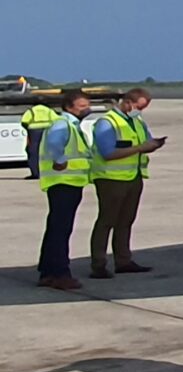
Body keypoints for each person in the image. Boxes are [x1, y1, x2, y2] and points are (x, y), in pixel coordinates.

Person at [33, 91, 108, 291]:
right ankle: (59, 273)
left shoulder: (72, 126)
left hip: (70, 182)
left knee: (56, 228)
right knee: (61, 230)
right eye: (82, 105)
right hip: (64, 183)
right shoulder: (62, 124)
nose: (87, 109)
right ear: (68, 107)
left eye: (87, 105)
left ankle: (48, 271)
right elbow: (53, 145)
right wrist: (59, 161)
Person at [90, 89, 164, 277]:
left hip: (133, 177)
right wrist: (141, 147)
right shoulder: (106, 123)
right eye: (139, 107)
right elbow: (108, 153)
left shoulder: (137, 122)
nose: (140, 111)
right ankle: (98, 264)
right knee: (106, 221)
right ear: (128, 103)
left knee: (126, 221)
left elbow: (145, 142)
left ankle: (123, 260)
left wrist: (153, 145)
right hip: (111, 179)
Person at [21, 96, 58, 180]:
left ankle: (35, 173)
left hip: (34, 132)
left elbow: (24, 121)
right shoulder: (49, 110)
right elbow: (56, 119)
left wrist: (28, 129)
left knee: (33, 152)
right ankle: (49, 172)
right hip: (48, 131)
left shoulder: (31, 110)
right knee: (48, 151)